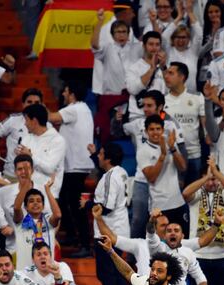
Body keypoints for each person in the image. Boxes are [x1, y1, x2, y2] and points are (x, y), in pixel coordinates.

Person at [182, 158, 224, 285]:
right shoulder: (197, 195)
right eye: (208, 179)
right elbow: (185, 193)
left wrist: (215, 172)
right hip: (199, 256)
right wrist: (207, 176)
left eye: (214, 179)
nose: (212, 182)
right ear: (202, 179)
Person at [48, 81, 94, 257]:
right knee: (66, 200)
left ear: (72, 93)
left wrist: (37, 106)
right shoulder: (84, 108)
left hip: (75, 165)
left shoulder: (74, 108)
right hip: (76, 164)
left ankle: (84, 244)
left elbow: (52, 117)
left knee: (75, 205)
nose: (63, 94)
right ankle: (74, 236)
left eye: (66, 91)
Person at [81, 143, 130, 285]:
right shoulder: (121, 172)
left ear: (108, 158)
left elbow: (106, 208)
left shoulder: (110, 177)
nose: (99, 157)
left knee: (107, 275)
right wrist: (94, 154)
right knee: (116, 274)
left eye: (101, 154)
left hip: (108, 232)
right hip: (119, 229)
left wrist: (87, 204)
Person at [91, 11, 142, 143]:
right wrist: (100, 22)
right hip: (111, 99)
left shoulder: (136, 48)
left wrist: (153, 22)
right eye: (118, 32)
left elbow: (154, 43)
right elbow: (94, 45)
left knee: (133, 136)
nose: (121, 35)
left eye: (124, 31)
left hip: (131, 99)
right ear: (113, 35)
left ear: (128, 34)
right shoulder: (107, 48)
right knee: (108, 136)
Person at [0, 155, 51, 256]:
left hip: (39, 250)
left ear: (32, 170)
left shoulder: (43, 191)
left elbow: (53, 219)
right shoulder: (4, 193)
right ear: (15, 172)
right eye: (20, 169)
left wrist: (52, 237)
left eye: (26, 169)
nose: (23, 172)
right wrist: (3, 224)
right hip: (14, 249)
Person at [139, 114, 188, 234]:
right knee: (160, 245)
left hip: (178, 203)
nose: (155, 132)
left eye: (158, 129)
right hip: (159, 207)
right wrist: (162, 156)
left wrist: (172, 148)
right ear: (146, 131)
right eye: (151, 129)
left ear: (162, 130)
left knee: (182, 242)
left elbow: (182, 167)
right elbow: (151, 177)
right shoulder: (143, 151)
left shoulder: (170, 144)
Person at [164, 62, 206, 185]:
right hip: (172, 157)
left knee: (194, 197)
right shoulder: (162, 99)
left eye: (171, 73)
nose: (166, 76)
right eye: (166, 73)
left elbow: (205, 126)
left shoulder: (197, 97)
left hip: (194, 154)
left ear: (182, 77)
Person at [16, 104, 66, 199]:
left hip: (49, 196)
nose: (25, 124)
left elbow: (50, 168)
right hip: (27, 193)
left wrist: (30, 156)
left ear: (34, 121)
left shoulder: (57, 140)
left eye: (26, 120)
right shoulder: (26, 139)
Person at [0, 88, 43, 179]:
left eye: (36, 103)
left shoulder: (48, 126)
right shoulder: (12, 120)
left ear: (42, 105)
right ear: (23, 104)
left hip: (36, 178)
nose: (33, 106)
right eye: (29, 102)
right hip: (12, 176)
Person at [13, 180, 61, 271]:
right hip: (25, 273)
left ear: (43, 206)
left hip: (46, 273)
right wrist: (26, 184)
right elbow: (16, 208)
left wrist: (47, 190)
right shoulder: (20, 222)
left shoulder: (48, 221)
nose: (35, 203)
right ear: (26, 207)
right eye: (31, 201)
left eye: (39, 201)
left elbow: (58, 215)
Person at [163, 0, 203, 93]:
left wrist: (190, 13)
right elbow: (164, 37)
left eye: (184, 37)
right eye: (178, 37)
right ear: (173, 38)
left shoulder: (193, 51)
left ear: (189, 39)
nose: (181, 40)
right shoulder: (168, 51)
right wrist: (179, 16)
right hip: (171, 95)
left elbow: (199, 34)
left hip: (190, 96)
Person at [126, 31, 167, 121]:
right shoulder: (134, 68)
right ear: (144, 46)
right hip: (139, 116)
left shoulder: (164, 68)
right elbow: (133, 89)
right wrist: (151, 69)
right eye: (151, 44)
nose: (154, 48)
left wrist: (164, 68)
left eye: (157, 44)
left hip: (159, 116)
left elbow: (169, 91)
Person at [198, 0, 224, 89]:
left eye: (216, 11)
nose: (213, 14)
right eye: (210, 12)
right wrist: (212, 37)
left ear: (222, 12)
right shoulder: (203, 30)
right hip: (205, 74)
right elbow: (199, 55)